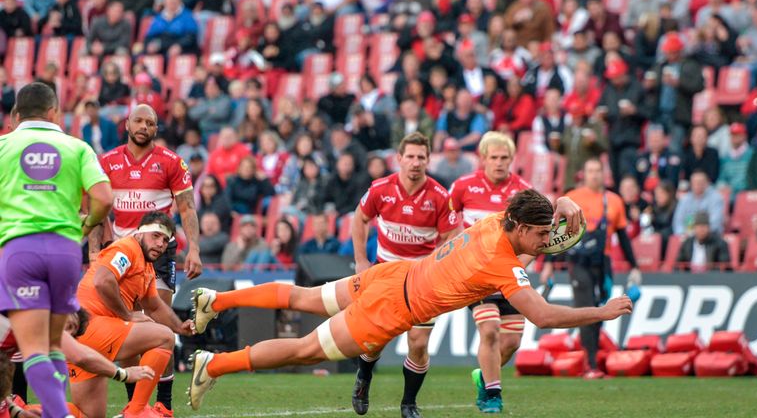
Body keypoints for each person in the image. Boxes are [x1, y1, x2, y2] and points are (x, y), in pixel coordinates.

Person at [186, 190, 632, 413]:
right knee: (304, 349)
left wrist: (562, 200)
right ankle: (214, 365)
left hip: (393, 274)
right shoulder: (502, 261)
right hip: (394, 308)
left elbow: (531, 211)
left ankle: (216, 299)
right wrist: (601, 312)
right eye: (538, 234)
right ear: (518, 227)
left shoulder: (498, 221)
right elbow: (542, 315)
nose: (542, 242)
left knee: (303, 297)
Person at [0, 82, 113, 418]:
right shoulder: (77, 147)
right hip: (65, 251)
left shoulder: (3, 146)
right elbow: (105, 199)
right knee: (54, 344)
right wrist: (87, 225)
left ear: (16, 115)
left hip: (19, 251)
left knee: (33, 348)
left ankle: (59, 416)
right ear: (55, 113)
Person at [92, 104, 202, 416]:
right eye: (138, 120)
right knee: (126, 325)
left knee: (157, 322)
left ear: (156, 128)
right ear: (127, 123)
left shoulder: (171, 162)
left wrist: (193, 247)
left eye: (150, 123)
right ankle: (134, 405)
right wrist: (94, 249)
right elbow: (97, 209)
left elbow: (187, 207)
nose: (144, 126)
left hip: (159, 250)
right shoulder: (107, 161)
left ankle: (163, 405)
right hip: (122, 252)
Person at [347, 131, 460, 418]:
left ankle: (408, 403)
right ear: (399, 158)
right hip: (385, 276)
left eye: (421, 157)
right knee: (374, 340)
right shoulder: (380, 189)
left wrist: (437, 266)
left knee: (418, 343)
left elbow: (452, 236)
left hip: (423, 280)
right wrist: (361, 260)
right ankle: (364, 377)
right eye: (409, 156)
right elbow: (359, 220)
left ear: (428, 160)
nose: (415, 162)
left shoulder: (439, 196)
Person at [72, 212, 195, 418]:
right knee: (164, 337)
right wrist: (127, 315)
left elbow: (154, 306)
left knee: (88, 414)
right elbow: (103, 281)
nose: (160, 244)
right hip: (91, 325)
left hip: (82, 335)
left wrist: (179, 326)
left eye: (165, 240)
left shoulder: (146, 266)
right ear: (139, 233)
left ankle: (23, 411)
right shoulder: (127, 248)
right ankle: (137, 409)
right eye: (155, 236)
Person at [448, 131, 530, 412]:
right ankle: (492, 395)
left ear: (512, 159)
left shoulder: (523, 192)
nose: (498, 162)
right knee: (491, 329)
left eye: (504, 157)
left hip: (509, 276)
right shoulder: (463, 187)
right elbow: (447, 225)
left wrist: (520, 265)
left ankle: (483, 375)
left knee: (512, 341)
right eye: (493, 157)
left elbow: (534, 239)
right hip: (477, 276)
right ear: (483, 158)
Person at [541, 158, 641, 379]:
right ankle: (591, 364)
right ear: (584, 174)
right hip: (578, 261)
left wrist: (634, 266)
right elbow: (559, 234)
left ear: (604, 174)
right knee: (585, 306)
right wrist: (549, 263)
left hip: (603, 263)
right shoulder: (574, 198)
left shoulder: (614, 200)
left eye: (598, 171)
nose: (594, 175)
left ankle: (592, 359)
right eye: (590, 170)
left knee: (601, 309)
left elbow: (623, 236)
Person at [0, 312, 155, 417]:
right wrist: (124, 374)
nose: (65, 336)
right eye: (69, 326)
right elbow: (81, 357)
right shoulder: (32, 314)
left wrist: (16, 411)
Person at [673, 170, 725, 235]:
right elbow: (678, 222)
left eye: (700, 182)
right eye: (694, 183)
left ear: (707, 183)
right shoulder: (685, 199)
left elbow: (715, 222)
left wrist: (698, 233)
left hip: (710, 236)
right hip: (687, 236)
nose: (697, 185)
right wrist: (682, 233)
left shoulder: (716, 198)